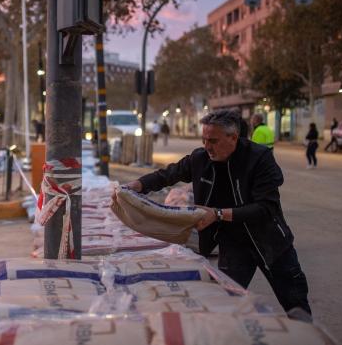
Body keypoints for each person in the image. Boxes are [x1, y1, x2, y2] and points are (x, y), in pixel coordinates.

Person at [119, 109, 311, 317]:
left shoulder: (259, 158)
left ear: (233, 137)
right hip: (233, 245)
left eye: (213, 140)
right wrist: (137, 185)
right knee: (226, 306)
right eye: (204, 140)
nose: (207, 146)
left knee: (297, 307)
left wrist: (218, 214)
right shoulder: (200, 159)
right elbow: (168, 174)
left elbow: (266, 208)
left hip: (271, 243)